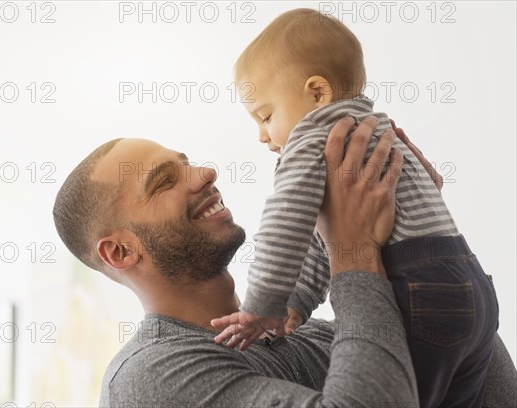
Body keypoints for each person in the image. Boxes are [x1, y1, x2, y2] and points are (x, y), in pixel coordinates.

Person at [52, 118, 517, 407]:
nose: (206, 173)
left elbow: (478, 365)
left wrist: (415, 238)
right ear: (121, 252)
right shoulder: (153, 377)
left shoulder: (318, 335)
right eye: (164, 181)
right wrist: (354, 249)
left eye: (188, 162)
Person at [211, 9, 498, 407]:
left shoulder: (312, 135)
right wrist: (297, 302)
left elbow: (285, 225)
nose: (261, 135)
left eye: (265, 115)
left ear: (316, 93)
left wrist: (263, 305)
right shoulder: (374, 129)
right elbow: (326, 241)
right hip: (469, 283)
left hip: (416, 291)